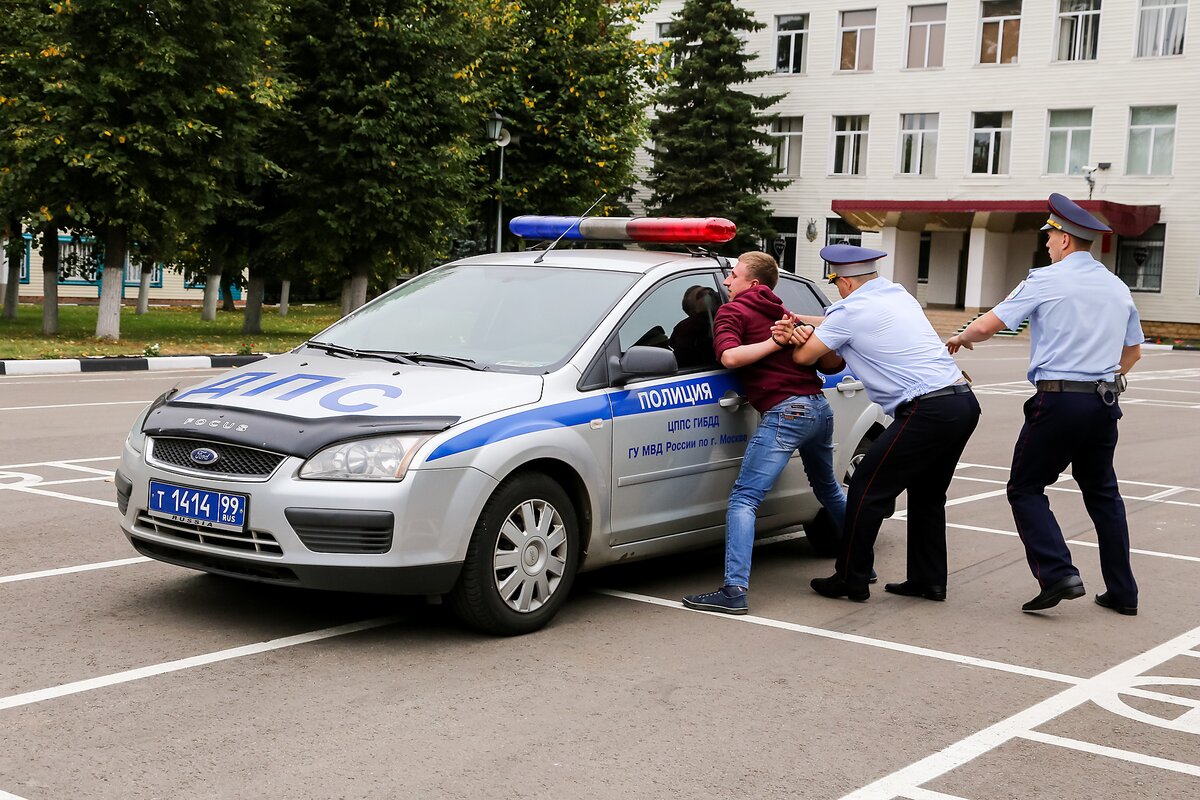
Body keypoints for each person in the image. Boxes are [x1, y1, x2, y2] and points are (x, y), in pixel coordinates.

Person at [947, 193, 1143, 616]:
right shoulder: (1116, 285)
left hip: (1058, 401)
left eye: (1051, 237)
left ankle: (1058, 573)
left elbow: (989, 325)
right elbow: (1133, 352)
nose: (1048, 244)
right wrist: (1109, 380)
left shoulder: (1044, 279)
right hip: (1103, 402)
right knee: (1104, 495)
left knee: (1025, 487)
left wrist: (962, 338)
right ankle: (1123, 592)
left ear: (1066, 240)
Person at [784, 244, 980, 603]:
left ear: (842, 282)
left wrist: (796, 335)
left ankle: (850, 579)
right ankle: (928, 580)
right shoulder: (896, 294)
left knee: (865, 489)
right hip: (961, 402)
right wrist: (802, 319)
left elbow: (804, 355)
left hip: (927, 410)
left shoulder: (850, 310)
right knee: (927, 495)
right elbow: (834, 323)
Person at [682, 251, 847, 615]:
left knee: (744, 499)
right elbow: (834, 363)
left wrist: (778, 342)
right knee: (829, 489)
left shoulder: (732, 312)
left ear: (752, 284)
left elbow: (729, 358)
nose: (726, 281)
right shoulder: (783, 312)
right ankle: (860, 565)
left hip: (786, 412)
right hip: (818, 407)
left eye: (734, 276)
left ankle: (734, 591)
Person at [669, 284, 719, 368]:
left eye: (711, 290)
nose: (710, 294)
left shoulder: (734, 313)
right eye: (701, 295)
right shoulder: (687, 329)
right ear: (693, 311)